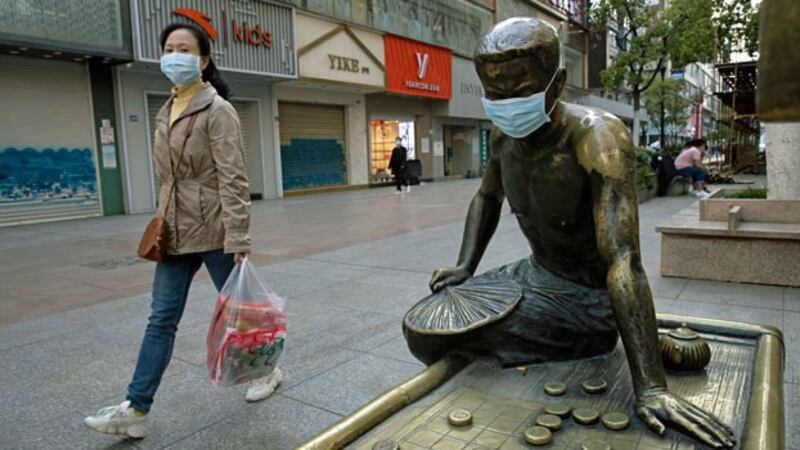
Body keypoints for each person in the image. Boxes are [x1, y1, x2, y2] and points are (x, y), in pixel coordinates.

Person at [403, 18, 734, 448]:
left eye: (517, 91)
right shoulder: (505, 136)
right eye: (493, 92)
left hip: (588, 301)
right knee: (427, 319)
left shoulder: (598, 139)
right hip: (534, 274)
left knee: (433, 335)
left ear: (556, 84)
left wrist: (651, 387)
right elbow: (487, 198)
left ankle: (601, 350)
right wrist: (465, 265)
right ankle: (541, 350)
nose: (503, 103)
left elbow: (623, 260)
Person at [83, 23, 281, 439]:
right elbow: (168, 177)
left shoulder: (218, 110)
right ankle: (136, 411)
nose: (174, 55)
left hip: (213, 229)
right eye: (169, 48)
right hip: (175, 232)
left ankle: (269, 369)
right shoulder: (166, 108)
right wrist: (161, 219)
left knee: (240, 313)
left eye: (184, 49)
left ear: (203, 60)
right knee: (161, 319)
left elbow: (234, 178)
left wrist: (239, 238)